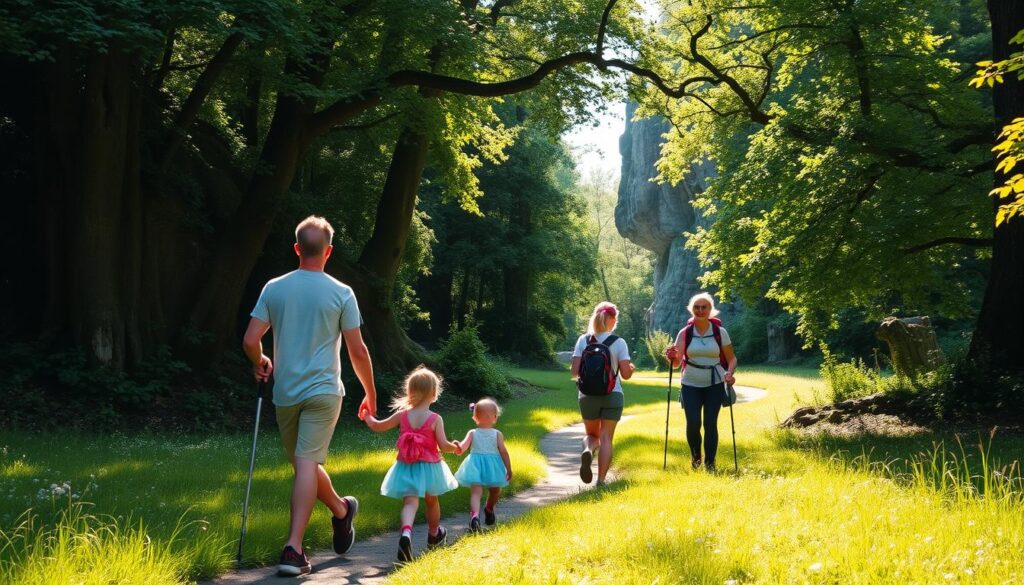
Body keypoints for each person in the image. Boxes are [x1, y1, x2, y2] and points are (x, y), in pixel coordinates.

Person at [242, 215, 377, 576]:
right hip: (324, 392)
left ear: (297, 248)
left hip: (287, 392)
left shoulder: (275, 287)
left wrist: (260, 361)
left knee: (303, 463)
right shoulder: (341, 292)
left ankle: (293, 549)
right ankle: (342, 510)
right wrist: (370, 393)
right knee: (306, 464)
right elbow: (358, 351)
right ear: (329, 251)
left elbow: (250, 340)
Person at [361, 366, 459, 562]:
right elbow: (443, 445)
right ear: (433, 393)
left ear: (410, 391)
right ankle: (434, 534)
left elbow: (378, 426)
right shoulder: (435, 419)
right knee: (432, 500)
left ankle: (406, 533)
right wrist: (455, 446)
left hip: (406, 466)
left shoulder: (402, 415)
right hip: (430, 467)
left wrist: (367, 415)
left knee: (410, 502)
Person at [665, 292, 737, 473]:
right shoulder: (685, 333)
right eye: (696, 307)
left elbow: (732, 359)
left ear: (711, 310)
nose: (700, 310)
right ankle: (696, 458)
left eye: (704, 307)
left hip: (715, 383)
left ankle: (710, 464)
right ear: (691, 310)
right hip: (690, 384)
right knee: (693, 423)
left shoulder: (720, 332)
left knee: (710, 423)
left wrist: (729, 373)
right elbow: (676, 363)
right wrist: (671, 357)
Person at [570, 301, 635, 485]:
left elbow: (574, 371)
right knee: (606, 438)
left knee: (592, 436)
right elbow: (626, 374)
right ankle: (600, 481)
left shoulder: (583, 340)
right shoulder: (619, 342)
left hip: (587, 396)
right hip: (612, 395)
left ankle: (588, 451)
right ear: (613, 320)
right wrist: (631, 368)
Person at [451, 398, 512, 532]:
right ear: (493, 417)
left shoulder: (478, 433)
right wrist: (508, 468)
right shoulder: (494, 434)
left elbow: (462, 449)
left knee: (476, 492)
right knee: (494, 490)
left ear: (475, 417)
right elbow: (504, 452)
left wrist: (457, 447)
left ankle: (476, 515)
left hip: (475, 466)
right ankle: (486, 509)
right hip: (492, 467)